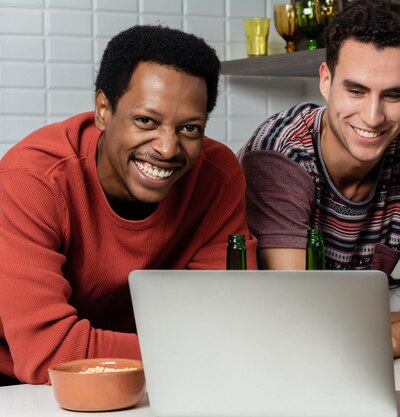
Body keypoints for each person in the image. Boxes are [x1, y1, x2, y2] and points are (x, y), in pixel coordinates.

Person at [0, 25, 257, 385]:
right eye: (146, 121)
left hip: (152, 375)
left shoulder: (217, 176)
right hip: (21, 384)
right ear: (103, 110)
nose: (167, 149)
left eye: (190, 129)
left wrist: (208, 348)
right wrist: (196, 350)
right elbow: (48, 353)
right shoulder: (33, 178)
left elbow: (229, 321)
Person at [238, 0, 400, 357]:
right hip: (271, 357)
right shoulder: (279, 155)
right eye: (355, 91)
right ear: (325, 80)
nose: (372, 117)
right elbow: (300, 320)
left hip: (357, 357)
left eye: (392, 95)